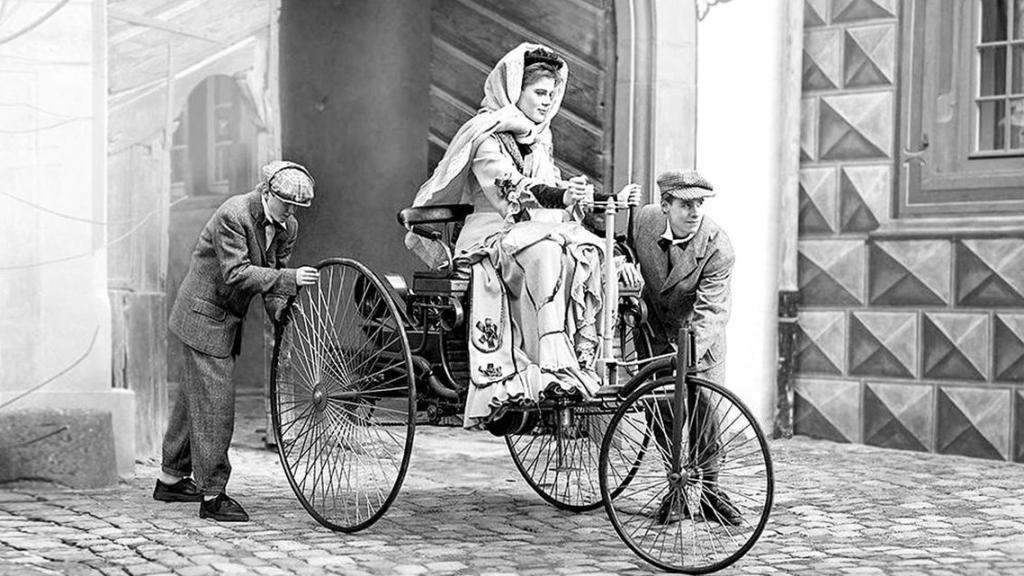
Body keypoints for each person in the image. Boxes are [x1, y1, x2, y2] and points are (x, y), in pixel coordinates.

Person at [406, 43, 636, 432]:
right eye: (539, 93)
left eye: (552, 94)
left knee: (586, 251)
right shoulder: (485, 136)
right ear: (515, 91)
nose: (547, 103)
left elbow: (552, 186)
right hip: (490, 233)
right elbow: (512, 189)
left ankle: (585, 358)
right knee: (547, 249)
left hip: (531, 229)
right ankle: (543, 364)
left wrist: (593, 197)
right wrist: (559, 195)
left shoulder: (541, 139)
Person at [153, 160, 321, 522]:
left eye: (297, 207)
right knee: (215, 404)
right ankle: (213, 495)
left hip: (225, 318)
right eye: (285, 203)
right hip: (203, 315)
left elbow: (274, 272)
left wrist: (280, 312)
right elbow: (236, 274)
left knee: (193, 397)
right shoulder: (235, 214)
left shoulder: (287, 225)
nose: (291, 212)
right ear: (266, 192)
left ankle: (169, 478)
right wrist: (289, 279)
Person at [619, 169, 742, 526]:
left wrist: (685, 357)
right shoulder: (644, 221)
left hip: (699, 336)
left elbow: (712, 311)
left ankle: (711, 493)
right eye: (686, 204)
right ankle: (675, 490)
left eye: (699, 204)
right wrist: (623, 261)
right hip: (655, 331)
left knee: (705, 408)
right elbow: (615, 239)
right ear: (665, 205)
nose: (694, 212)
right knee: (663, 411)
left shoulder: (718, 247)